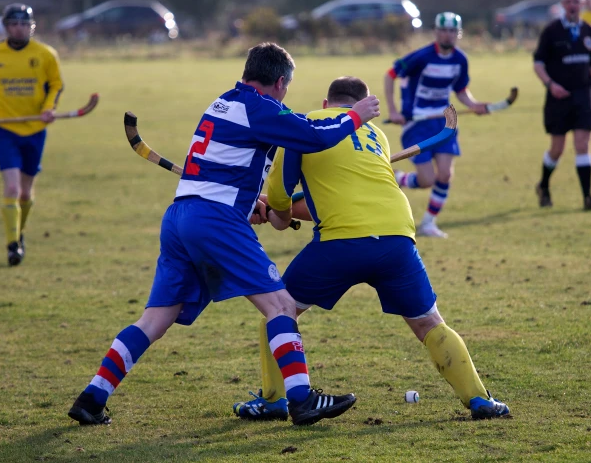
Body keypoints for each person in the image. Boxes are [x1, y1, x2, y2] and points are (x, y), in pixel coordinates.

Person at [67, 43, 381, 427]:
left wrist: (250, 203)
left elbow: (222, 170)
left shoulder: (221, 103)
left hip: (182, 215)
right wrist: (355, 115)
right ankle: (301, 399)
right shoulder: (260, 107)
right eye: (286, 87)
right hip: (214, 219)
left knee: (155, 319)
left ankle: (92, 397)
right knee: (280, 306)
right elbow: (314, 135)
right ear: (280, 82)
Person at [233, 76, 510, 422]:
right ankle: (480, 400)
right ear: (362, 108)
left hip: (340, 242)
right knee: (429, 323)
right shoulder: (375, 134)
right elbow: (346, 194)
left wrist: (275, 214)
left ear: (324, 103)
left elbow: (279, 197)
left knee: (278, 312)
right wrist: (283, 212)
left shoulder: (301, 126)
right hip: (397, 238)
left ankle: (274, 401)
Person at [0, 4, 63, 266]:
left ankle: (20, 232)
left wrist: (49, 108)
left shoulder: (46, 54)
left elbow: (56, 85)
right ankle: (12, 244)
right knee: (12, 188)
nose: (19, 28)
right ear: (6, 26)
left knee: (26, 194)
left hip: (35, 129)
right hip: (5, 128)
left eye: (25, 24)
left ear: (32, 26)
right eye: (14, 24)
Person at [385, 12, 489, 238]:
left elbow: (461, 91)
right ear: (436, 32)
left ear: (458, 34)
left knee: (444, 174)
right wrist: (393, 111)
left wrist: (474, 105)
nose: (448, 35)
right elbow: (390, 74)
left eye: (453, 31)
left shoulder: (460, 59)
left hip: (445, 122)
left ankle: (429, 223)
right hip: (417, 124)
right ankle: (399, 178)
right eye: (444, 30)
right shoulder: (421, 57)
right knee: (426, 180)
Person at [533, 0, 591, 211]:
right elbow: (538, 64)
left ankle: (587, 198)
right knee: (557, 148)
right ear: (562, 4)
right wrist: (550, 85)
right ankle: (544, 185)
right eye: (568, 2)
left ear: (582, 4)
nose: (572, 5)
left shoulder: (589, 31)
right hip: (557, 98)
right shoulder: (551, 32)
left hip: (582, 96)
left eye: (576, 1)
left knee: (582, 144)